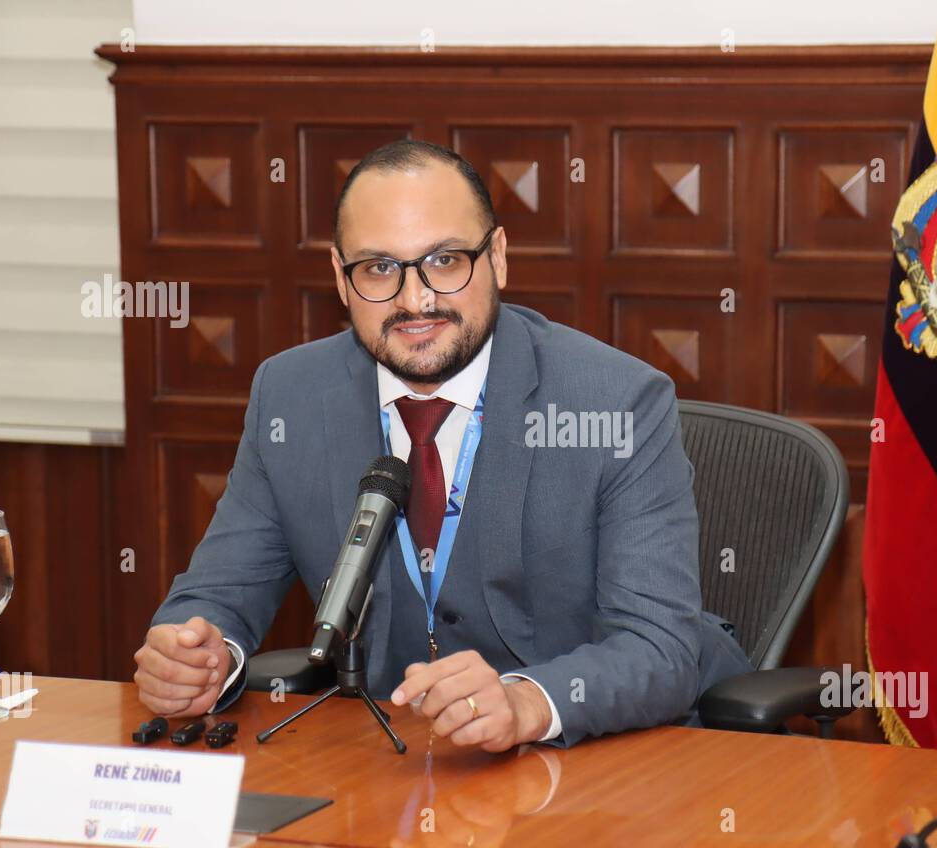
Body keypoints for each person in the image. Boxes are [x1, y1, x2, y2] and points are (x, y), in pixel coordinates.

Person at [132, 140, 752, 750]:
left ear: (498, 258)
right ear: (340, 280)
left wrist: (528, 701)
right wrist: (197, 654)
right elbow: (217, 594)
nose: (415, 299)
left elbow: (660, 647)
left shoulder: (616, 401)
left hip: (604, 762)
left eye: (446, 260)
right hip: (397, 761)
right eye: (378, 268)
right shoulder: (290, 395)